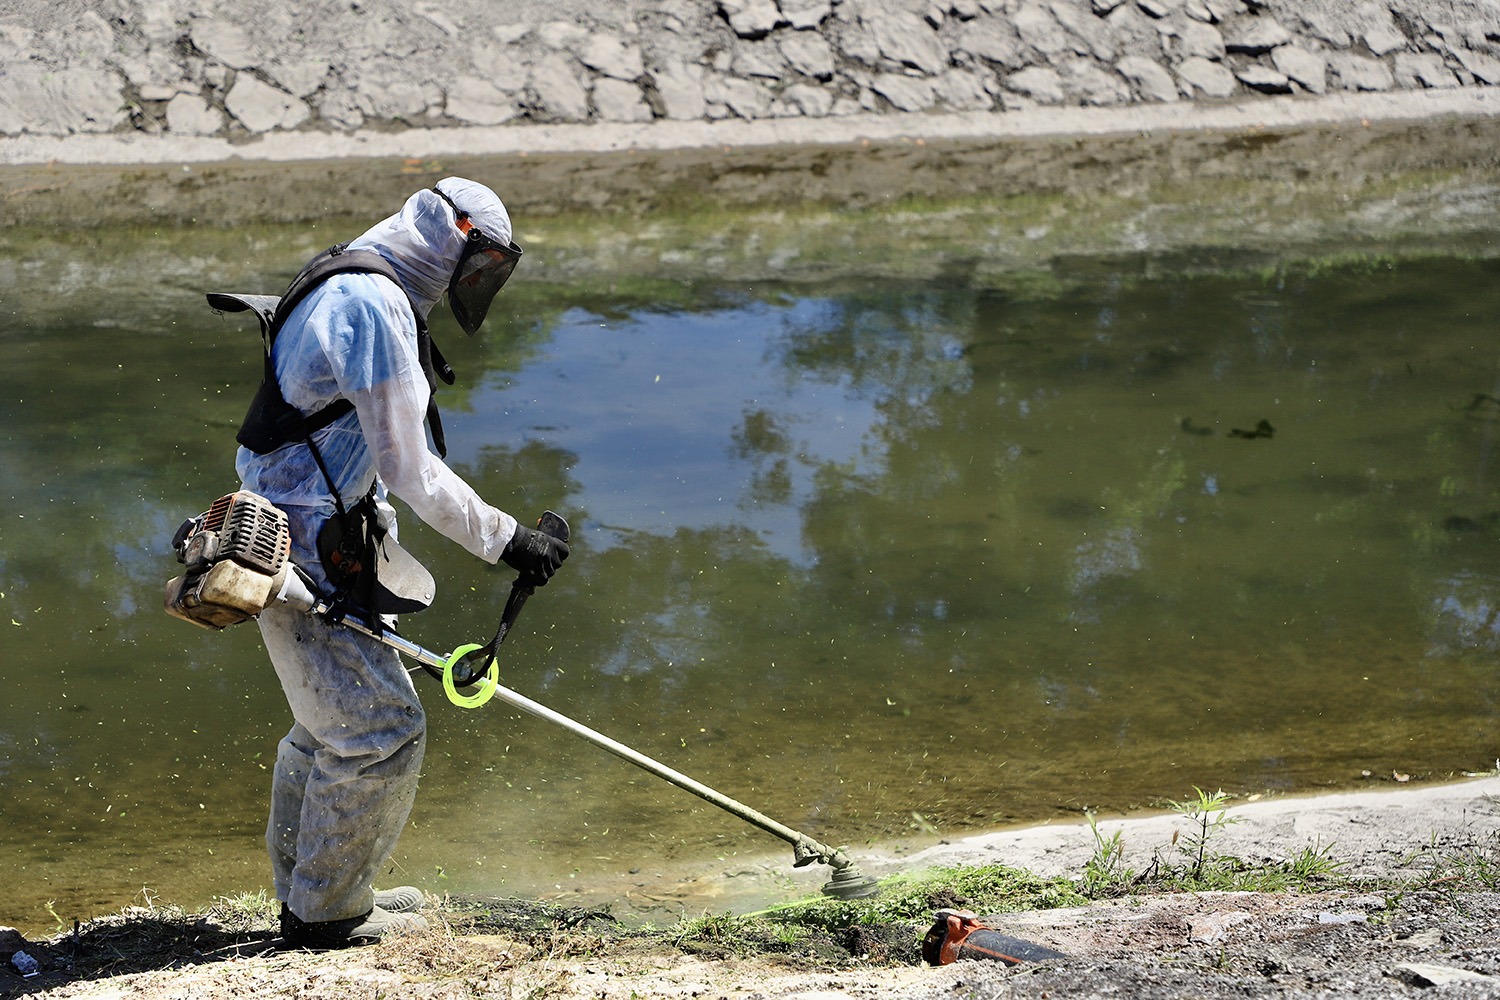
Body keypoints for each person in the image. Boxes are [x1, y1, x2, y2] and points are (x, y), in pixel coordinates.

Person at [232, 177, 569, 948]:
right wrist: (509, 538)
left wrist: (374, 540)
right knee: (382, 729)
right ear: (453, 241)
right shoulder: (373, 308)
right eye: (481, 266)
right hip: (302, 542)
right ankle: (327, 914)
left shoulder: (353, 273)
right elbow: (411, 468)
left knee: (329, 725)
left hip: (310, 530)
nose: (479, 284)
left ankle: (310, 893)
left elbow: (355, 452)